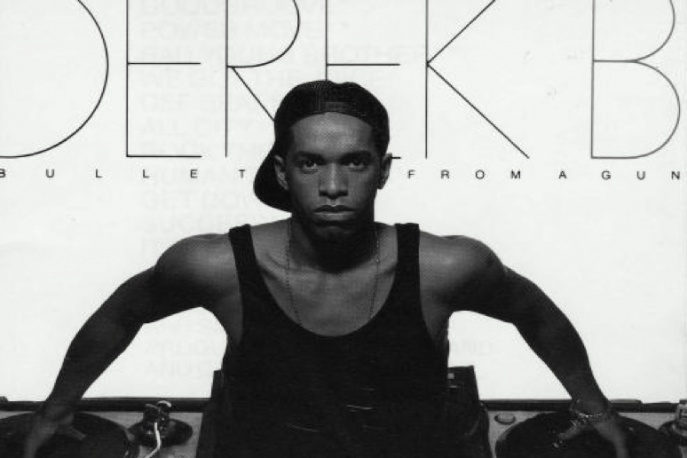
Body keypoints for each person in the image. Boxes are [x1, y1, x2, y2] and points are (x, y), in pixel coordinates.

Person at [24, 80, 629, 458]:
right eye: (311, 163)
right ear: (282, 171)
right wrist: (56, 408)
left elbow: (536, 315)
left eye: (355, 162)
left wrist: (594, 406)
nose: (333, 185)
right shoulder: (213, 265)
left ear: (383, 170)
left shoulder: (448, 265)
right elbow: (121, 313)